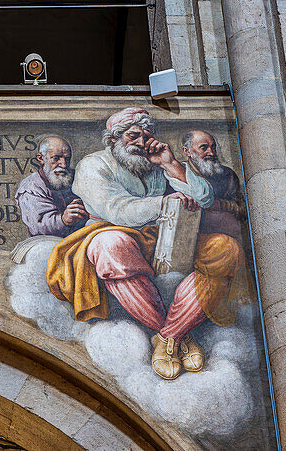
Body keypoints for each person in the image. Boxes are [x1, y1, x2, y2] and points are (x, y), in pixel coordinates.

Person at [46, 107, 244, 380]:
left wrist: (169, 164)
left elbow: (206, 198)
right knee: (112, 245)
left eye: (146, 135)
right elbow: (117, 209)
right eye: (133, 135)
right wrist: (163, 202)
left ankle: (168, 337)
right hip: (104, 231)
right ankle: (180, 337)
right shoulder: (93, 165)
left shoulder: (152, 165)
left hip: (159, 235)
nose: (141, 142)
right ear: (114, 139)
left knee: (226, 249)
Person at [16, 136, 88, 238]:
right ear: (41, 158)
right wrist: (63, 220)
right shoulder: (31, 187)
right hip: (48, 240)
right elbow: (37, 226)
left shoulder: (79, 177)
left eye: (67, 159)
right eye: (56, 158)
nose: (63, 165)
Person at [182, 130, 246, 239]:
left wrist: (220, 204)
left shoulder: (228, 175)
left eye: (213, 148)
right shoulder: (179, 174)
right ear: (187, 151)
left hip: (225, 233)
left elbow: (243, 210)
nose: (211, 153)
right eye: (204, 148)